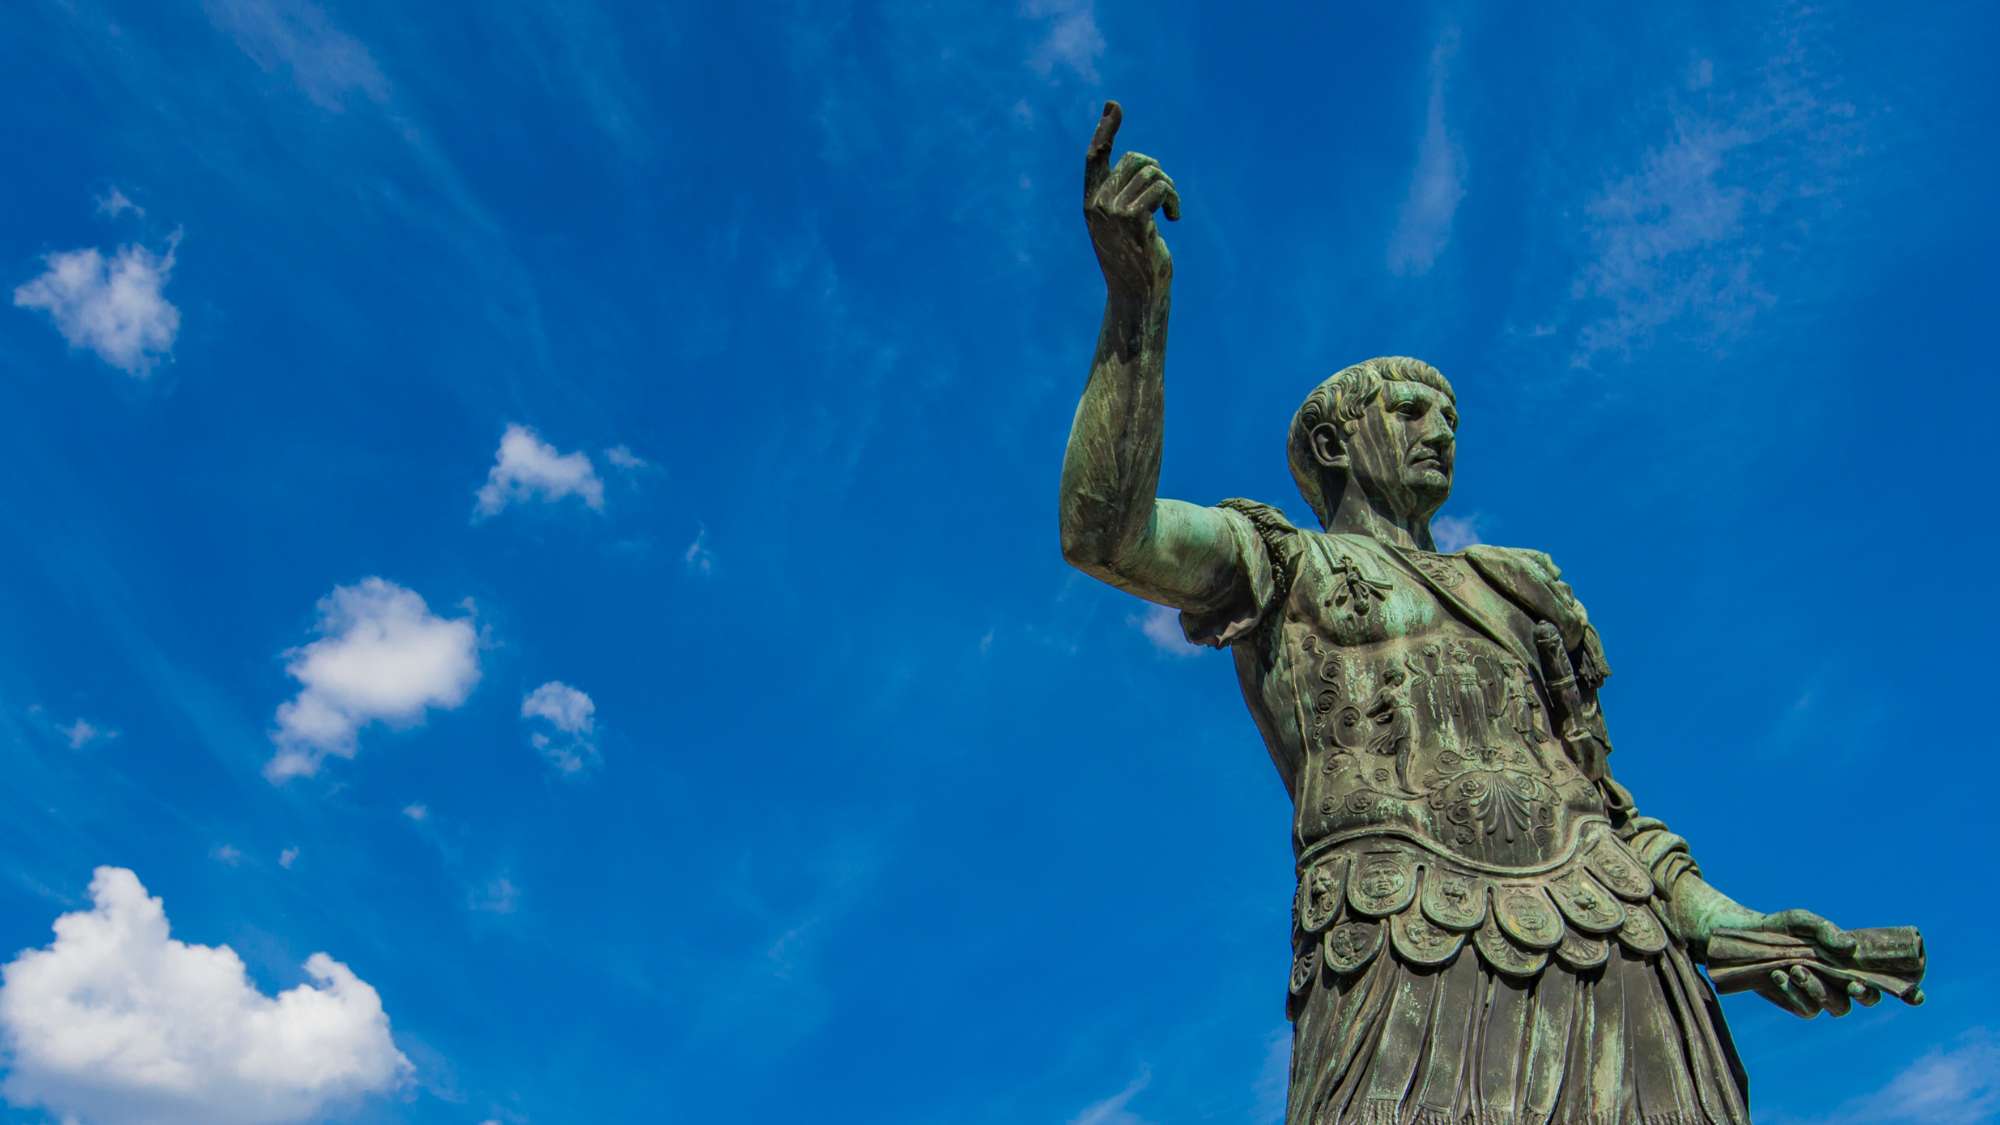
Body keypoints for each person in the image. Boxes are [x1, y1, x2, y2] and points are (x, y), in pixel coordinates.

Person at [1057, 102, 1912, 1125]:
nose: (1441, 429)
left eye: (1451, 417)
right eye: (1409, 409)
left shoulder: (1520, 587)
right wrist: (1138, 300)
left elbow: (1601, 801)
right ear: (1332, 444)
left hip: (1615, 944)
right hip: (1400, 941)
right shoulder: (1282, 562)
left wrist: (1726, 922)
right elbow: (1106, 532)